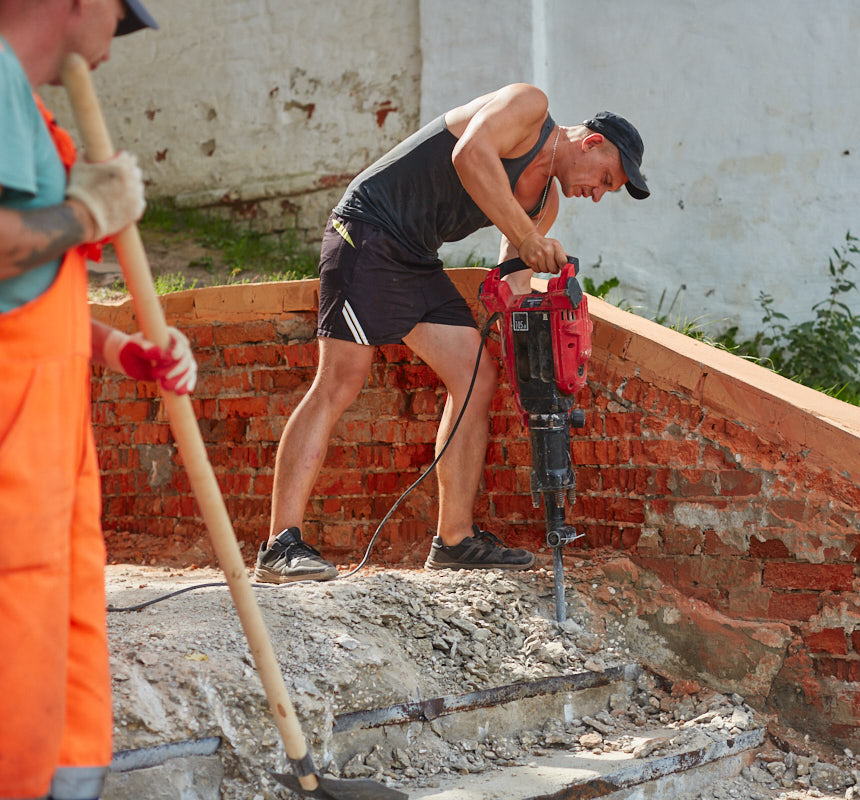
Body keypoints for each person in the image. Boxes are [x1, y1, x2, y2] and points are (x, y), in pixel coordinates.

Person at [256, 83, 649, 583]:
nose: (596, 193)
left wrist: (542, 323)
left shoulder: (543, 205)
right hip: (368, 230)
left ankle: (454, 540)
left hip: (417, 258)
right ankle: (279, 544)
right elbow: (470, 155)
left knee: (476, 376)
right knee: (339, 382)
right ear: (591, 143)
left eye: (605, 192)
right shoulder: (530, 107)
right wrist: (528, 240)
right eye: (605, 179)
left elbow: (512, 282)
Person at [0, 1, 198, 798]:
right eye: (118, 18)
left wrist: (122, 350)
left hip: (48, 458)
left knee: (59, 673)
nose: (115, 45)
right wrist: (88, 212)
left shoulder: (26, 104)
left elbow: (27, 287)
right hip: (14, 452)